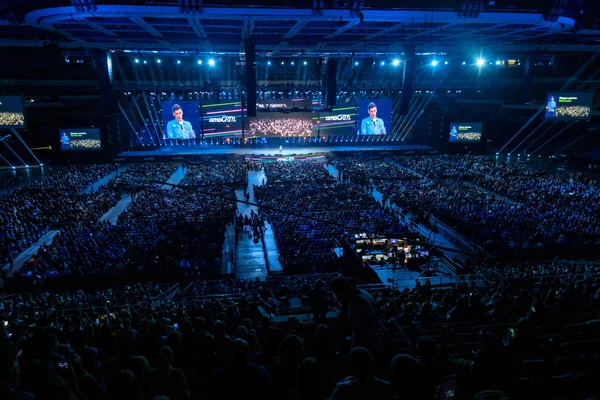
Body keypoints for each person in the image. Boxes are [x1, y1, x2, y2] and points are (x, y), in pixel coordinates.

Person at [330, 276, 379, 356]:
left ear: (340, 290)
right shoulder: (366, 294)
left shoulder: (356, 301)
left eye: (337, 294)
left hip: (364, 346)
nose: (338, 298)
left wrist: (352, 351)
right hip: (373, 341)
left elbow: (358, 331)